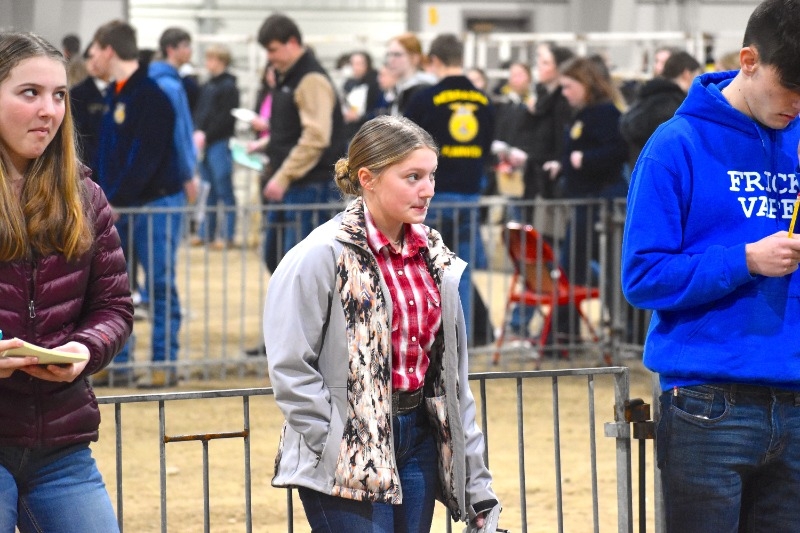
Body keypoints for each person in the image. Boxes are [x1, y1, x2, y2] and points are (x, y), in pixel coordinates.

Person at [264, 115, 502, 533]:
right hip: (349, 444)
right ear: (367, 178)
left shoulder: (434, 255)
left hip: (418, 440)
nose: (427, 189)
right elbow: (289, 365)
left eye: (430, 175)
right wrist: (335, 441)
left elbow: (450, 377)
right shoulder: (319, 254)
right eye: (412, 176)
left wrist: (475, 479)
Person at [621, 1, 800, 530]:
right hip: (707, 403)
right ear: (748, 60)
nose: (796, 103)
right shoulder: (675, 147)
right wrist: (744, 260)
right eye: (788, 87)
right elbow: (643, 276)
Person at [0, 31, 133, 530]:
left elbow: (115, 307)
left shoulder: (85, 196)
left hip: (62, 446)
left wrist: (84, 348)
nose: (49, 111)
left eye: (58, 95)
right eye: (29, 93)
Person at [91, 20, 186, 388]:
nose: (92, 58)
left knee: (159, 284)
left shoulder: (151, 95)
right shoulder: (117, 93)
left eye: (95, 50)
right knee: (117, 288)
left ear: (109, 50)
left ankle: (164, 362)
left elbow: (145, 157)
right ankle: (120, 364)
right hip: (123, 207)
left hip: (155, 204)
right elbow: (110, 154)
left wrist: (116, 198)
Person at [256, 13, 345, 271]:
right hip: (294, 185)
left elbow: (316, 139)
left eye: (272, 49)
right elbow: (294, 129)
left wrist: (283, 177)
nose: (269, 57)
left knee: (302, 269)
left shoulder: (310, 79)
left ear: (291, 42)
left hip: (309, 186)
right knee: (280, 262)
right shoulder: (290, 77)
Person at [192, 43, 240, 248]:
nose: (207, 63)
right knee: (208, 190)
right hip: (206, 143)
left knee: (223, 189)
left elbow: (225, 119)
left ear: (221, 61)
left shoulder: (229, 87)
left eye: (211, 59)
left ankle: (227, 235)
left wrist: (207, 134)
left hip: (219, 143)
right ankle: (205, 233)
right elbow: (201, 112)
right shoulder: (208, 85)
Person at [620, 50, 701, 166]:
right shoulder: (674, 104)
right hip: (662, 171)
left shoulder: (647, 95)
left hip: (640, 167)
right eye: (696, 76)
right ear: (687, 74)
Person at [70, 43, 110, 179]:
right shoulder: (76, 95)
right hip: (89, 173)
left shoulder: (127, 94)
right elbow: (77, 138)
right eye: (91, 58)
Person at [385, 32, 436, 116]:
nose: (391, 60)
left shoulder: (425, 89)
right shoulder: (397, 88)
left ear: (415, 58)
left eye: (397, 55)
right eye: (389, 55)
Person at [340, 50, 380, 143]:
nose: (354, 67)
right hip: (352, 129)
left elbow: (376, 110)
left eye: (358, 64)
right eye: (352, 64)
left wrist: (360, 117)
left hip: (368, 130)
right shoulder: (349, 83)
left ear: (367, 65)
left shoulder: (375, 83)